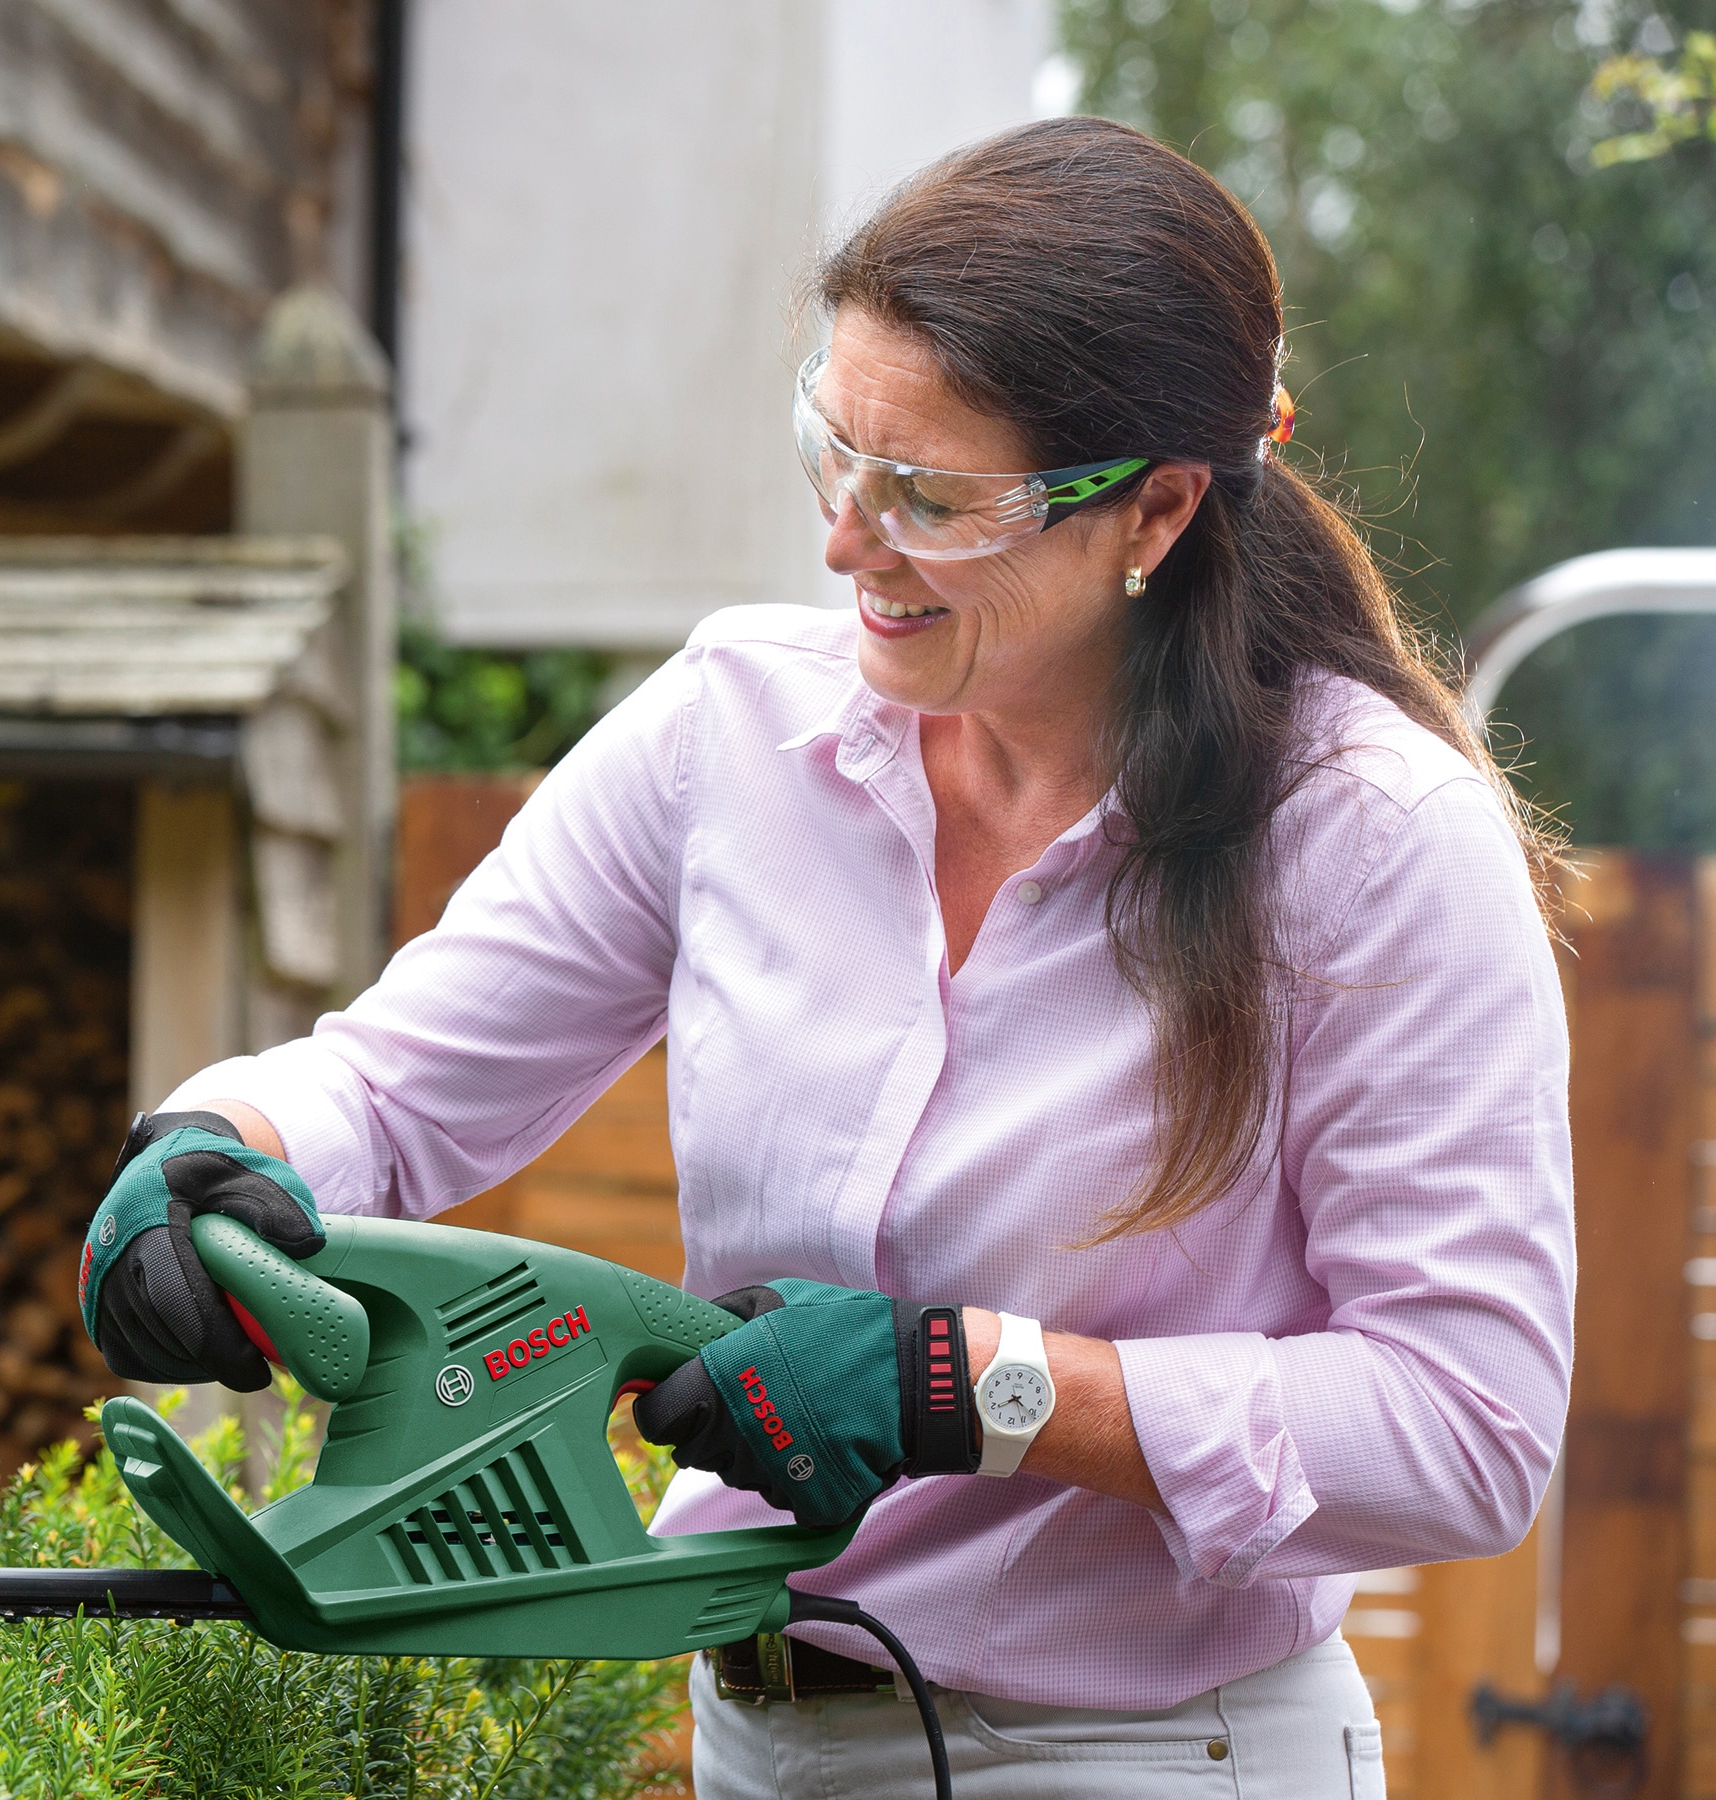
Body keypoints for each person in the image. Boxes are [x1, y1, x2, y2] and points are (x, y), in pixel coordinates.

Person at [77, 117, 1571, 1797]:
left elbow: (1469, 1425)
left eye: (931, 496)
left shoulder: (1373, 843)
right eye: (833, 455)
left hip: (1144, 1759)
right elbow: (396, 1081)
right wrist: (218, 1150)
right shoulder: (730, 731)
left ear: (1153, 508)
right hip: (754, 1743)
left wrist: (974, 1388)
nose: (850, 541)